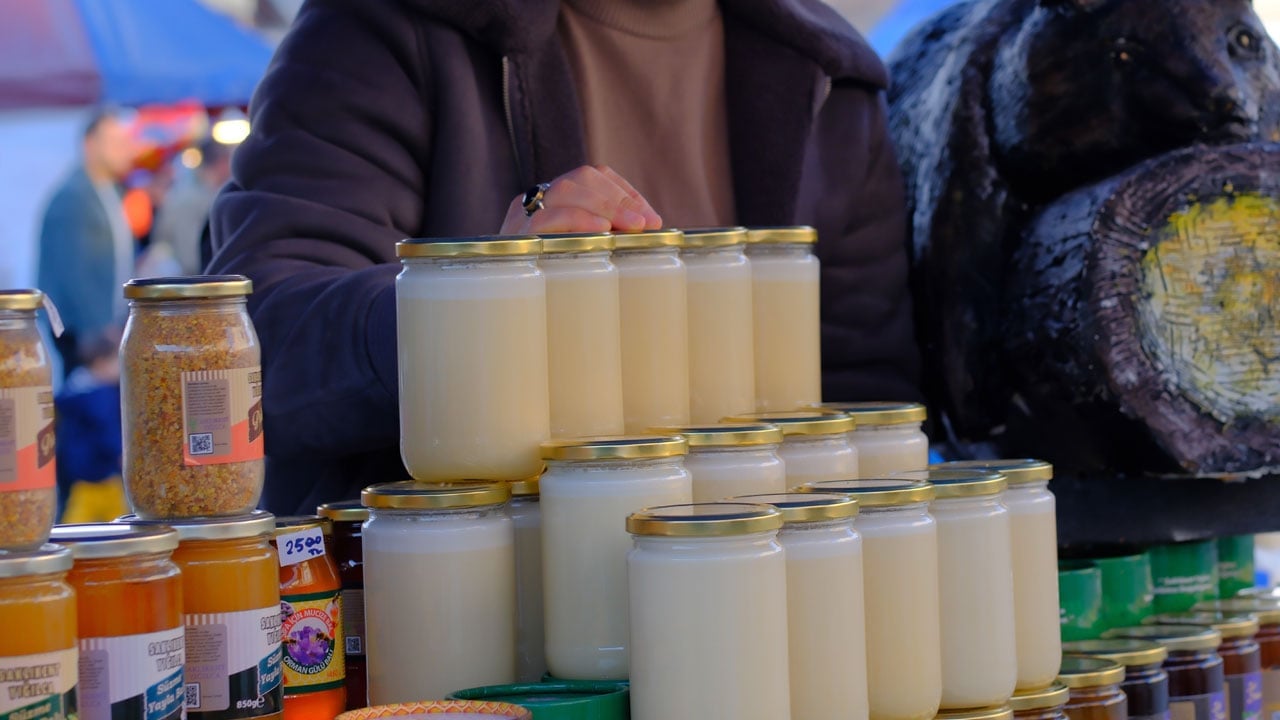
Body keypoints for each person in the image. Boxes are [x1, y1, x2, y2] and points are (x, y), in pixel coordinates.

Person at [209, 0, 919, 514]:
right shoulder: (383, 28)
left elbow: (866, 409)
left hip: (752, 628)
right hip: (435, 652)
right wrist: (476, 299)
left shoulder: (834, 80)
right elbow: (248, 356)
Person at [37, 108, 139, 375]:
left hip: (108, 330)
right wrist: (94, 331)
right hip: (86, 338)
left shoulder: (111, 192)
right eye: (116, 143)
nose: (126, 150)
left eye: (126, 142)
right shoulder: (74, 197)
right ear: (90, 145)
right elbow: (72, 272)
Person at [153, 138, 234, 275]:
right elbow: (191, 257)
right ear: (222, 163)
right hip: (193, 282)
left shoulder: (181, 191)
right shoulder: (199, 197)